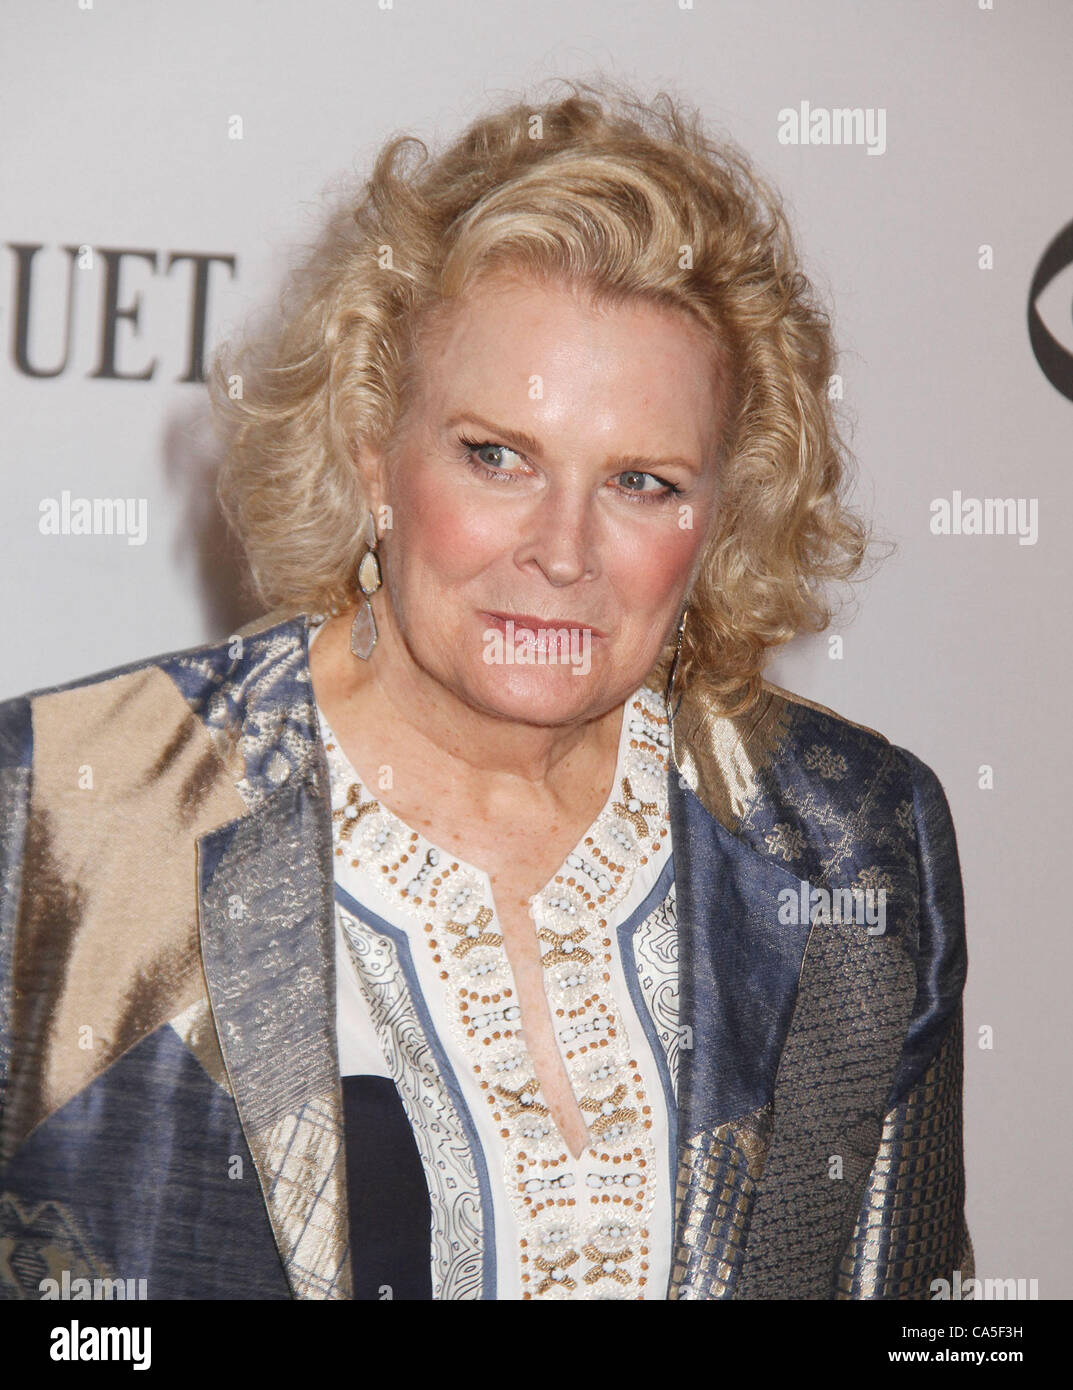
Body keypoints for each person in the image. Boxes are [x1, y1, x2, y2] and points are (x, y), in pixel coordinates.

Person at [0, 82, 971, 1301]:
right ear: (371, 450)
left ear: (722, 516)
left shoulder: (849, 842)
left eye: (641, 481)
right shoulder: (58, 821)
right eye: (495, 456)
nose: (561, 551)